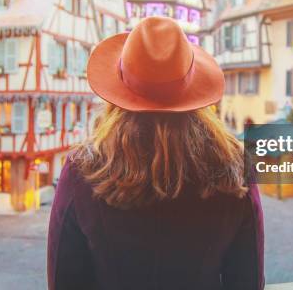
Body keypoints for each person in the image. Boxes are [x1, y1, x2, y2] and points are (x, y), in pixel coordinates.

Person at [47, 16, 264, 290]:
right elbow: (247, 280)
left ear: (119, 91)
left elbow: (64, 279)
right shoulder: (234, 167)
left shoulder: (83, 170)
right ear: (194, 87)